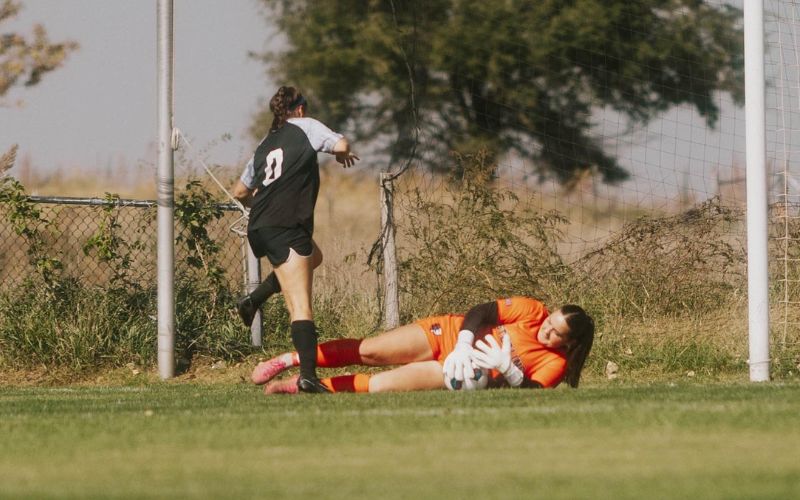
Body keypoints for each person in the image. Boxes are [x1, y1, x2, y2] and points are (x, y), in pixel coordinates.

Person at [232, 85, 359, 393]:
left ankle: (253, 300)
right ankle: (307, 377)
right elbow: (341, 144)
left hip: (261, 226)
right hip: (286, 225)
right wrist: (341, 155)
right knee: (301, 304)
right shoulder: (307, 126)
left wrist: (264, 204)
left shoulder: (265, 143)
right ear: (300, 108)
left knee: (314, 258)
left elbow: (240, 192)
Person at [251, 296, 594, 394]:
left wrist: (509, 371)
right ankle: (291, 359)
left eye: (554, 334)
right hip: (445, 334)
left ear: (569, 344)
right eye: (550, 323)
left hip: (455, 373)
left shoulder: (556, 364)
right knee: (368, 350)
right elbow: (481, 310)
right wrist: (463, 342)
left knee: (380, 385)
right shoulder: (533, 310)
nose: (546, 330)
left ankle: (300, 387)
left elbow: (533, 392)